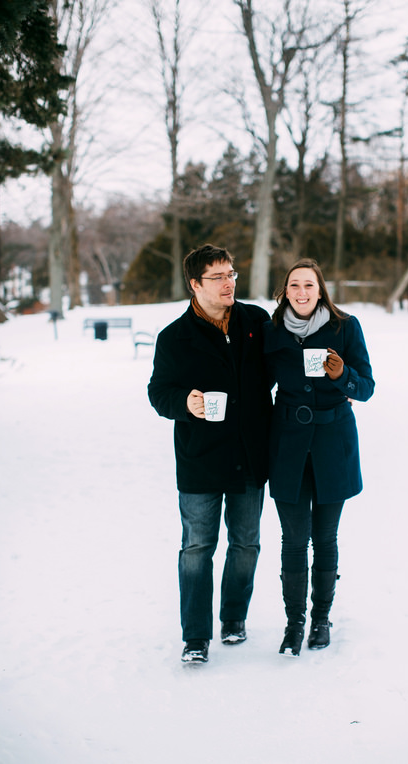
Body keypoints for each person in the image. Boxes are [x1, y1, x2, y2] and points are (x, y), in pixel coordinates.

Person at [148, 245, 274, 664]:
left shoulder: (255, 322)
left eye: (232, 273)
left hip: (250, 456)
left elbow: (285, 366)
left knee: (246, 544)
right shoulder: (173, 338)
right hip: (200, 458)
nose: (229, 283)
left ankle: (234, 619)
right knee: (198, 548)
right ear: (195, 285)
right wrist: (186, 402)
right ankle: (196, 637)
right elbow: (158, 393)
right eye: (218, 277)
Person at [263, 258, 374, 657]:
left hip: (333, 445)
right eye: (295, 285)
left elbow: (366, 388)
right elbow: (258, 385)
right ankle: (294, 624)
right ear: (286, 290)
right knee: (293, 540)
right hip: (287, 445)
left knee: (324, 538)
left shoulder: (346, 327)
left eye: (309, 285)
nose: (302, 292)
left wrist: (342, 375)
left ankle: (321, 619)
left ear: (320, 289)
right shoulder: (272, 332)